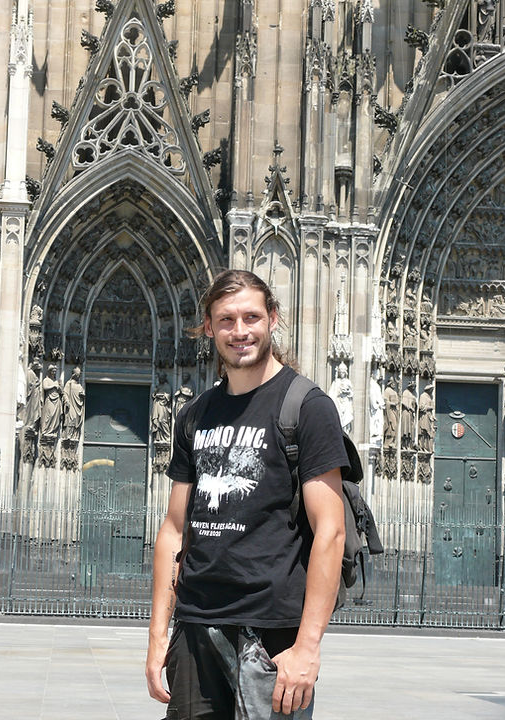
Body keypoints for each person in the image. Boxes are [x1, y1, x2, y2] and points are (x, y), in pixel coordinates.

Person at [145, 270, 348, 719]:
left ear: (273, 319)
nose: (240, 332)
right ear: (209, 326)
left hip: (272, 635)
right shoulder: (195, 414)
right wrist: (160, 634)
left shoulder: (307, 407)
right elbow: (175, 529)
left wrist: (307, 648)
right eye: (227, 320)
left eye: (251, 317)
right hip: (196, 628)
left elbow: (331, 531)